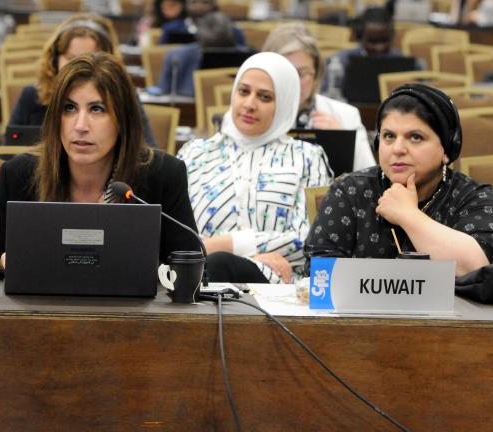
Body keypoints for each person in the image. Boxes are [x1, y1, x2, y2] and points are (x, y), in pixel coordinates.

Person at [0, 53, 199, 279]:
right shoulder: (19, 175)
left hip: (133, 314)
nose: (80, 126)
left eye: (97, 109)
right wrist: (3, 262)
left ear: (123, 120)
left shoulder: (163, 175)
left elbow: (194, 271)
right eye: (69, 108)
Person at [305, 83, 493, 277]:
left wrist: (409, 216)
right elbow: (320, 275)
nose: (397, 149)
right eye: (389, 136)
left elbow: (477, 269)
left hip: (456, 318)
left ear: (447, 149)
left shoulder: (475, 198)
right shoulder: (350, 191)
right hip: (363, 318)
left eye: (415, 137)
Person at [177, 52, 333, 284]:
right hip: (198, 282)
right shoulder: (195, 153)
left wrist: (226, 245)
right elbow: (174, 236)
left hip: (277, 287)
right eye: (243, 91)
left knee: (219, 262)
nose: (249, 104)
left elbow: (314, 238)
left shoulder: (307, 157)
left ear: (284, 103)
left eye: (265, 97)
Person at [8, 13, 157, 147]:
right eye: (71, 58)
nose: (79, 67)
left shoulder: (124, 97)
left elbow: (145, 152)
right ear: (54, 60)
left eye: (88, 58)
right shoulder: (31, 95)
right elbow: (8, 152)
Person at [262, 22, 376, 172]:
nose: (294, 83)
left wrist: (342, 141)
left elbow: (370, 180)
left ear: (316, 73)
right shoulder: (250, 113)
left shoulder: (346, 116)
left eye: (302, 74)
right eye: (286, 73)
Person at [320, 7, 414, 95]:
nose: (379, 47)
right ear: (360, 37)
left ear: (392, 37)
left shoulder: (403, 62)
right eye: (373, 41)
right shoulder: (341, 62)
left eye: (385, 40)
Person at [156, 12, 241, 96]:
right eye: (209, 48)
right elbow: (163, 94)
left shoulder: (244, 58)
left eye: (221, 47)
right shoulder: (177, 57)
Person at [158, 0, 246, 46]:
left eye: (205, 2)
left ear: (214, 6)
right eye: (194, 2)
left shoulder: (231, 30)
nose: (199, 7)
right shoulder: (171, 30)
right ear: (186, 6)